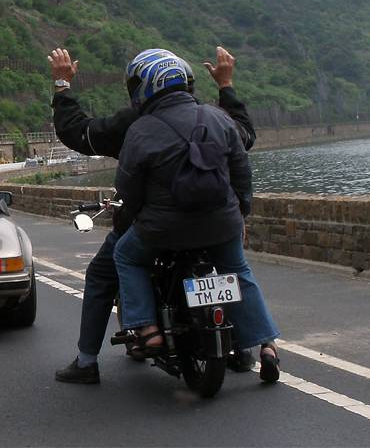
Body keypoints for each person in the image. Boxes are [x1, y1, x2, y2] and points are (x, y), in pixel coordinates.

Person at [50, 46, 256, 385]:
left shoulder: (134, 125)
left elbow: (79, 133)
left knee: (103, 273)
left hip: (154, 224)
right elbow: (244, 136)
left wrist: (62, 84)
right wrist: (226, 85)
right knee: (233, 265)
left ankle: (88, 360)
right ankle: (245, 345)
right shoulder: (211, 117)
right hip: (216, 217)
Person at [111, 49, 281, 383]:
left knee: (126, 256)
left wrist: (135, 216)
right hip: (222, 222)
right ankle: (267, 345)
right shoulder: (219, 118)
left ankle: (148, 330)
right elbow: (241, 173)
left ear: (143, 88)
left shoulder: (141, 131)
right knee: (238, 269)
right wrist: (241, 214)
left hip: (163, 230)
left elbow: (128, 189)